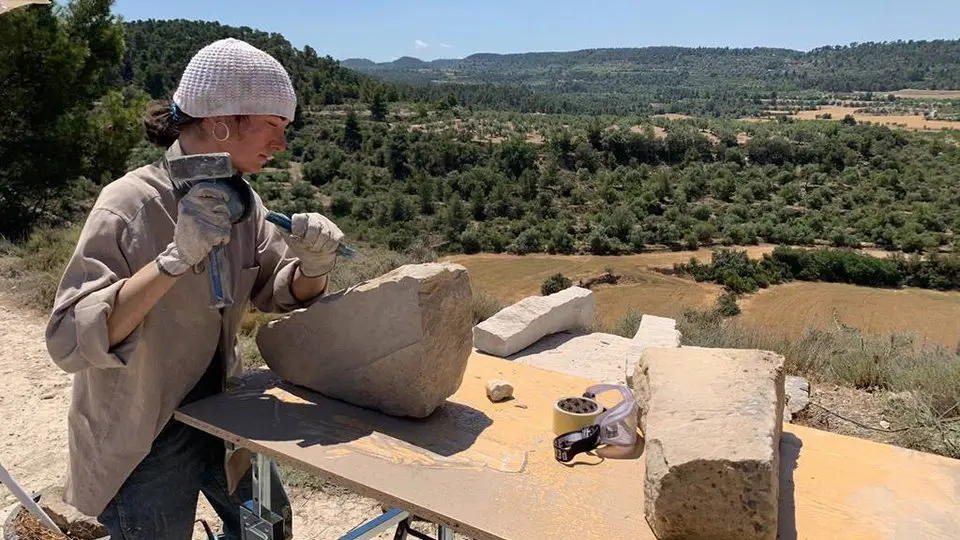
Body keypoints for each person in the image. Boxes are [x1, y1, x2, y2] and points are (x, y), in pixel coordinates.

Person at [44, 37, 342, 539]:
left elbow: (276, 289)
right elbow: (69, 340)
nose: (281, 145)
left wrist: (314, 266)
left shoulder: (241, 202)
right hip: (143, 433)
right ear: (222, 119)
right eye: (273, 125)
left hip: (224, 411)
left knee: (269, 527)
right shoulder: (130, 205)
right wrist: (174, 260)